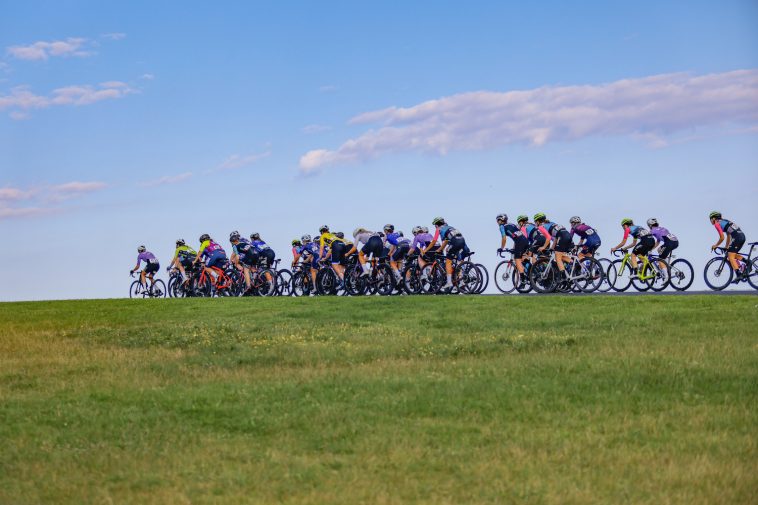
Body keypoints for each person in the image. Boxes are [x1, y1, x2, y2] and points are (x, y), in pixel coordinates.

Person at [425, 217, 468, 289]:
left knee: (448, 261)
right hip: (462, 241)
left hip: (455, 242)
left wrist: (426, 250)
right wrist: (440, 249)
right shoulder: (450, 227)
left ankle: (449, 282)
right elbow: (447, 241)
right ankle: (461, 281)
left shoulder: (439, 229)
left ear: (436, 225)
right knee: (458, 261)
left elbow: (434, 241)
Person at [709, 211, 746, 282]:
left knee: (730, 256)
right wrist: (726, 247)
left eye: (710, 219)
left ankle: (739, 275)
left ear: (713, 218)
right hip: (742, 236)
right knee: (732, 254)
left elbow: (722, 237)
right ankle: (747, 262)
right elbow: (728, 235)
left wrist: (716, 245)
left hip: (737, 237)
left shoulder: (717, 224)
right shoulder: (724, 221)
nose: (710, 221)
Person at [534, 213, 572, 279]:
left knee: (557, 257)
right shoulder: (552, 223)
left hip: (562, 237)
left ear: (537, 221)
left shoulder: (541, 227)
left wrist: (543, 247)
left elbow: (548, 237)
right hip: (568, 236)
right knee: (560, 255)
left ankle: (564, 277)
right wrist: (552, 248)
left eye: (535, 222)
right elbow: (556, 237)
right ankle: (574, 264)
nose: (535, 223)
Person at [496, 213, 528, 280]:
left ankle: (523, 280)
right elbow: (517, 237)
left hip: (520, 242)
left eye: (498, 220)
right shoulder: (512, 224)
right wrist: (514, 248)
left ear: (501, 220)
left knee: (517, 260)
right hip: (525, 241)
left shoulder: (502, 227)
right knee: (523, 259)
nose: (497, 222)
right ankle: (531, 271)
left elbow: (504, 238)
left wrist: (501, 248)